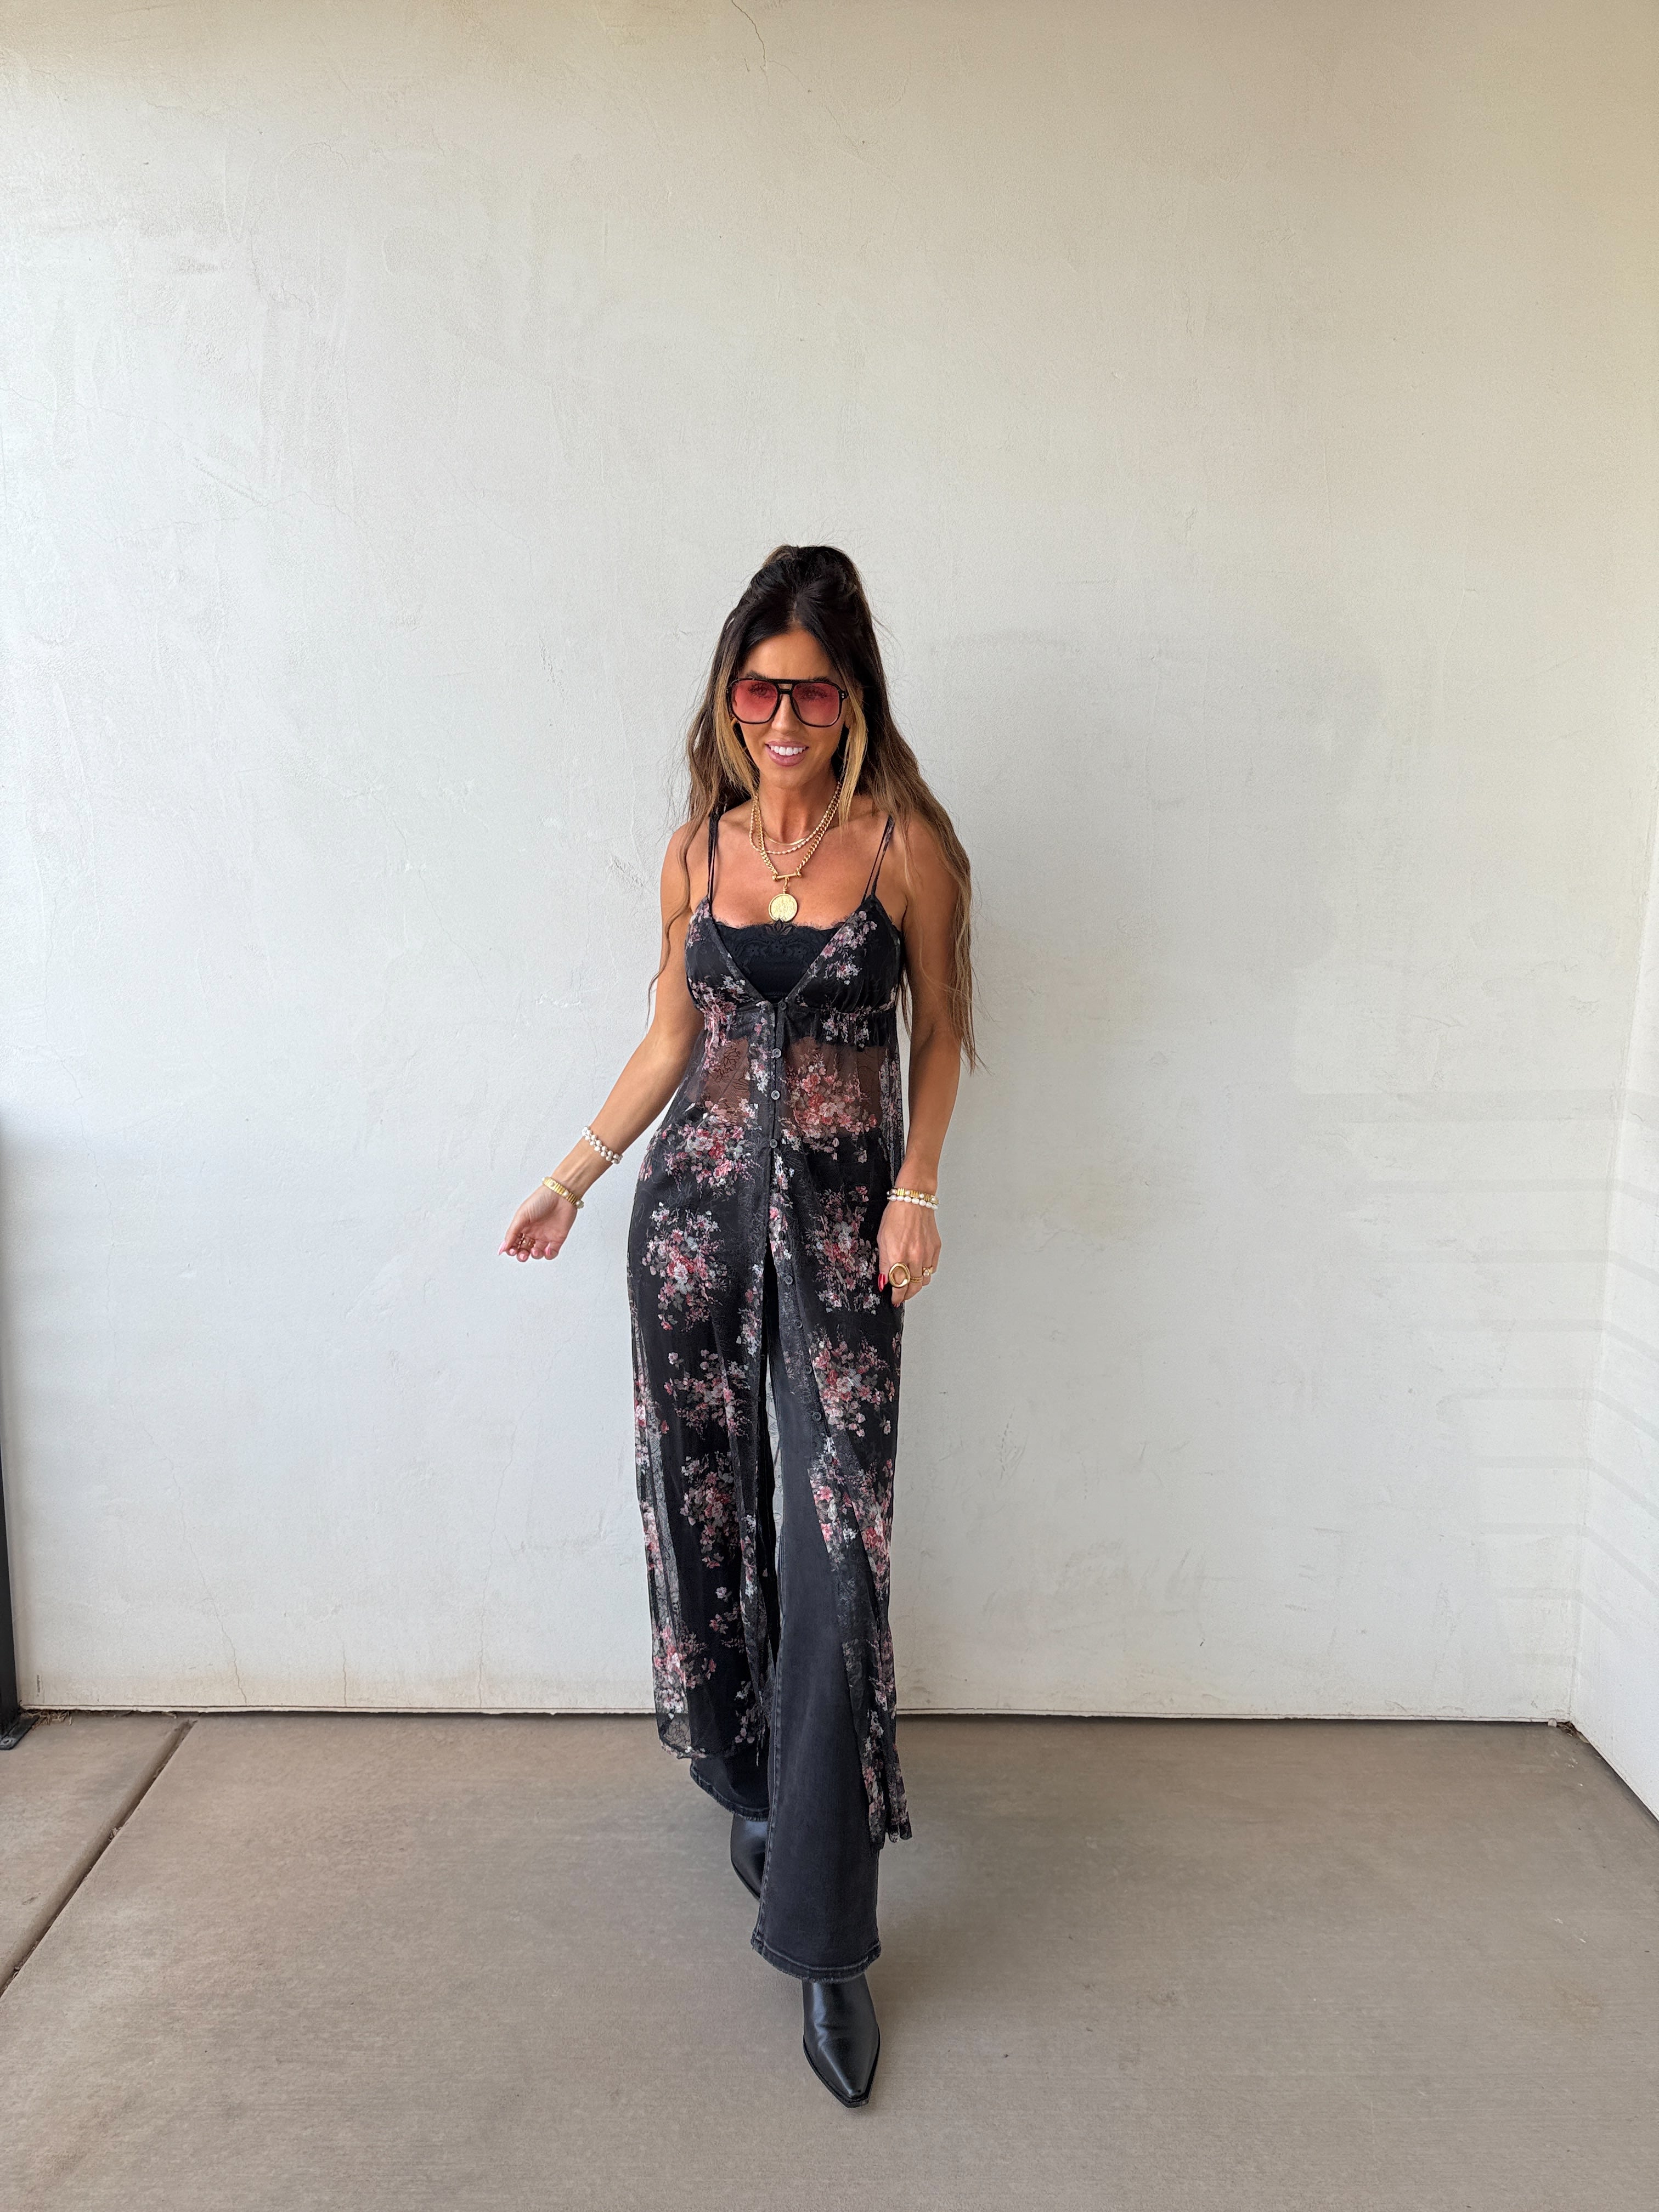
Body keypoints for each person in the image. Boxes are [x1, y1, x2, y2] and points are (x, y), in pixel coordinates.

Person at [500, 544, 974, 2106]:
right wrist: (572, 1177)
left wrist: (915, 1190)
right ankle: (752, 1781)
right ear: (727, 700)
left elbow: (943, 1030)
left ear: (855, 704)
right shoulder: (694, 852)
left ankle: (828, 1941)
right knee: (708, 1517)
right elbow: (667, 1038)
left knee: (837, 1555)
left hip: (844, 1239)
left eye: (812, 694)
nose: (783, 720)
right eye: (759, 692)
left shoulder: (905, 847)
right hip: (692, 1224)